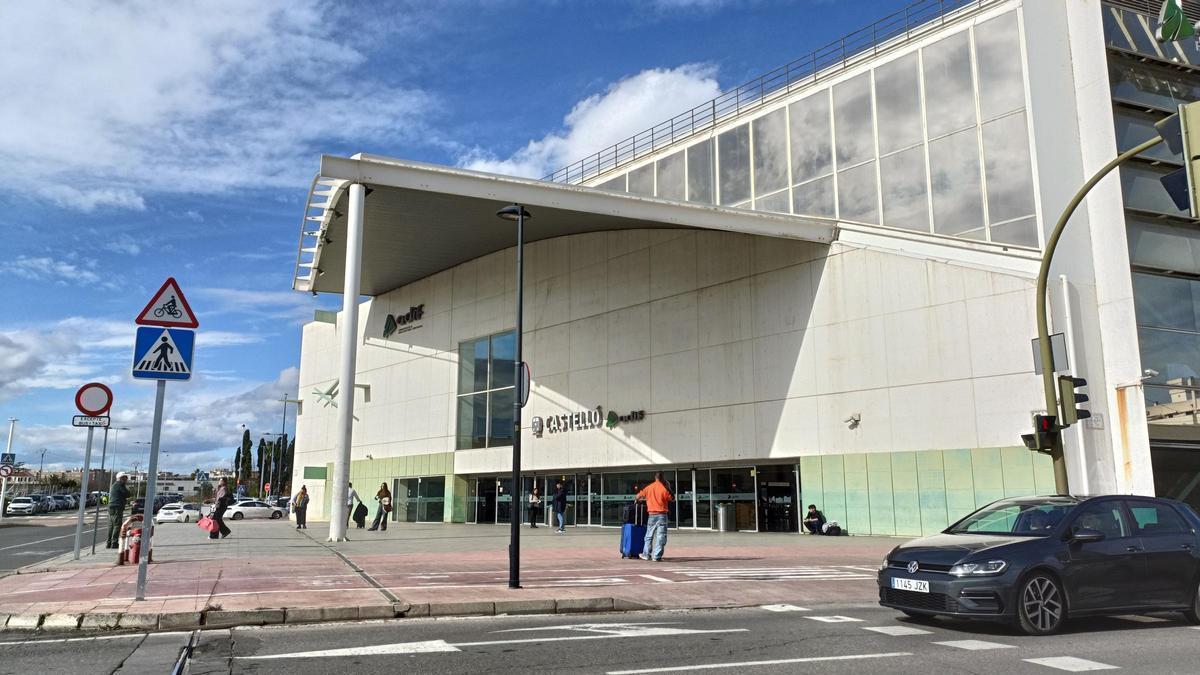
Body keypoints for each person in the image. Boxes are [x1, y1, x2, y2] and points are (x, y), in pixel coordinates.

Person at [635, 472, 674, 562]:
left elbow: (638, 496)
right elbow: (672, 498)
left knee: (649, 535)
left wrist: (638, 499)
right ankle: (656, 556)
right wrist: (668, 487)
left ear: (655, 478)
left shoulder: (649, 487)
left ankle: (646, 554)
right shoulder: (664, 488)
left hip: (652, 514)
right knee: (661, 536)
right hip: (662, 515)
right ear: (662, 478)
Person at [106, 474, 130, 549]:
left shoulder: (114, 485)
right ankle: (114, 543)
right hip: (117, 507)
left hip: (112, 506)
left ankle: (109, 543)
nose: (126, 480)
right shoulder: (120, 485)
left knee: (111, 525)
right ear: (121, 478)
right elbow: (127, 494)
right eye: (125, 478)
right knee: (117, 525)